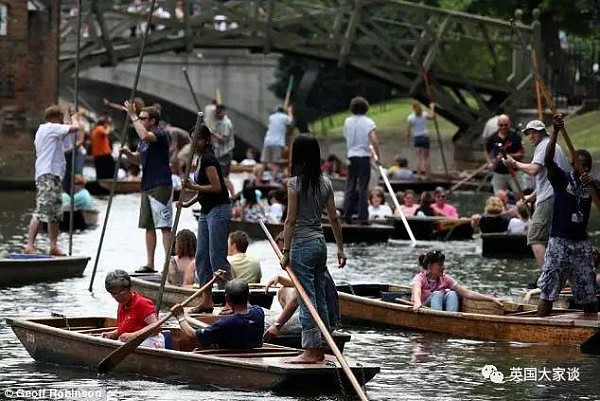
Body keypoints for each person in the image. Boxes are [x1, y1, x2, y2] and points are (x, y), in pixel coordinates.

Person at [281, 133, 346, 364]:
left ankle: (311, 349)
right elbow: (334, 219)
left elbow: (290, 221)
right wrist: (340, 249)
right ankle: (326, 343)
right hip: (320, 244)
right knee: (318, 295)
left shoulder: (294, 184)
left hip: (301, 245)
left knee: (306, 298)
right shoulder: (326, 182)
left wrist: (286, 251)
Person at [535, 114, 599, 318]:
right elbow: (548, 160)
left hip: (580, 243)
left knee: (589, 292)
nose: (584, 170)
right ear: (573, 164)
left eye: (588, 167)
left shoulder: (592, 186)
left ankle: (591, 326)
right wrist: (554, 132)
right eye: (581, 166)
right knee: (549, 289)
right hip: (559, 241)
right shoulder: (561, 179)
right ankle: (540, 325)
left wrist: (595, 184)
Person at [502, 119, 570, 267]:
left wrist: (513, 163)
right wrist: (531, 197)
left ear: (542, 132)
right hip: (560, 197)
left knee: (535, 237)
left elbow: (534, 170)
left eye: (533, 132)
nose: (530, 136)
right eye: (528, 133)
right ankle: (560, 277)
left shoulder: (543, 145)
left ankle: (547, 278)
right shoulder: (554, 146)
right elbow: (547, 178)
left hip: (549, 198)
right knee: (554, 239)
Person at [179, 124, 232, 313]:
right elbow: (203, 191)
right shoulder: (199, 158)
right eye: (192, 139)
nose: (194, 143)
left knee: (217, 257)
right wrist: (188, 203)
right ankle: (207, 300)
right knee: (201, 257)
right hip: (206, 211)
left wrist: (193, 187)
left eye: (197, 140)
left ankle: (231, 300)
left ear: (206, 140)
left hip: (219, 209)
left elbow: (216, 187)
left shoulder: (209, 159)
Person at [121, 103, 173, 273]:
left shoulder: (158, 134)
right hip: (147, 185)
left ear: (152, 121)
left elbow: (144, 136)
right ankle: (150, 264)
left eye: (143, 118)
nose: (141, 120)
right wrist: (129, 154)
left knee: (164, 225)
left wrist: (133, 116)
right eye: (140, 118)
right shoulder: (144, 140)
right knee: (148, 226)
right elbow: (139, 159)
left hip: (161, 184)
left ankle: (169, 263)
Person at [24, 105, 81, 256]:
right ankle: (29, 245)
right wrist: (75, 116)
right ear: (57, 118)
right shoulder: (50, 128)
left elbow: (68, 132)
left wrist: (70, 119)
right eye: (62, 119)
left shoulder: (48, 131)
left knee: (55, 212)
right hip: (47, 174)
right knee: (42, 209)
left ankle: (53, 245)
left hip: (53, 175)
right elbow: (75, 128)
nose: (63, 121)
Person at [171, 279, 265, 349]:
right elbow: (248, 305)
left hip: (231, 359)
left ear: (227, 299)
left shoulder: (225, 324)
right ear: (248, 296)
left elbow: (193, 335)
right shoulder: (259, 312)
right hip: (253, 353)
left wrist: (180, 317)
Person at [411, 250, 503, 311]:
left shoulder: (445, 279)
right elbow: (417, 292)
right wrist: (417, 303)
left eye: (443, 264)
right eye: (440, 264)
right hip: (425, 307)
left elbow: (467, 293)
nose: (443, 267)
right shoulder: (419, 278)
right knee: (437, 294)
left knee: (452, 294)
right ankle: (438, 319)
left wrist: (492, 298)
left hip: (444, 313)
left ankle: (450, 319)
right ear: (430, 266)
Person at [342, 96, 380, 225]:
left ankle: (346, 214)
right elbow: (374, 139)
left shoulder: (347, 121)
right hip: (363, 156)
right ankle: (363, 217)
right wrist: (377, 156)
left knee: (350, 186)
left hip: (351, 156)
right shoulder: (368, 122)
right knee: (363, 187)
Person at [102, 270, 164, 348]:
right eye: (114, 293)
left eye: (121, 292)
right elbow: (125, 329)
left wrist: (134, 335)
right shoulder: (122, 304)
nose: (118, 297)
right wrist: (113, 334)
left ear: (129, 289)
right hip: (133, 343)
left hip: (151, 342)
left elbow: (156, 327)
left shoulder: (141, 303)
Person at [484, 114, 525, 194]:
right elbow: (486, 150)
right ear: (498, 125)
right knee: (499, 198)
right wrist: (489, 163)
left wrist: (508, 155)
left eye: (506, 125)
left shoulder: (516, 136)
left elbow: (521, 154)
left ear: (509, 123)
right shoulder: (493, 137)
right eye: (501, 125)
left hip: (514, 172)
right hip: (498, 172)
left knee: (519, 195)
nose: (503, 127)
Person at [261, 105, 293, 174]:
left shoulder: (271, 117)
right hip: (277, 143)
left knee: (264, 162)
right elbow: (291, 122)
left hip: (267, 141)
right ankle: (272, 180)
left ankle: (259, 179)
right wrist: (290, 112)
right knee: (276, 163)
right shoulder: (284, 117)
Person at [406, 101, 435, 178]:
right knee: (426, 158)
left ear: (413, 108)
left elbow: (408, 131)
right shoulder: (424, 114)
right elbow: (432, 117)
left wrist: (408, 140)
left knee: (418, 158)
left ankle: (419, 175)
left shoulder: (410, 117)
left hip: (417, 138)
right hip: (425, 137)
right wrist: (432, 108)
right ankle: (428, 175)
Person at [212, 104, 235, 177]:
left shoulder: (226, 123)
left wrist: (214, 134)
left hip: (225, 153)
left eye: (219, 112)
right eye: (216, 112)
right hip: (219, 153)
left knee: (223, 176)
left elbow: (224, 140)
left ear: (224, 112)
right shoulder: (220, 122)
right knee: (220, 175)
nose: (217, 114)